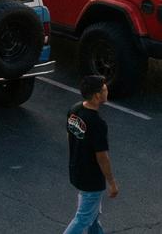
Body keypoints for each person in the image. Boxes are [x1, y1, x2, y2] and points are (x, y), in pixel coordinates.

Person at [64, 75, 118, 234]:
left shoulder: (74, 110)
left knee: (92, 214)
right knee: (82, 219)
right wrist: (112, 182)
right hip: (91, 178)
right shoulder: (97, 123)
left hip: (76, 170)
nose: (107, 90)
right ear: (97, 96)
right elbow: (102, 157)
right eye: (104, 89)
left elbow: (69, 135)